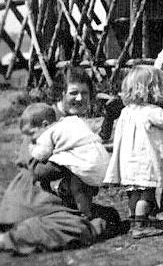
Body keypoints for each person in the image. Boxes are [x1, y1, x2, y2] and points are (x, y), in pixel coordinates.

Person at [0, 109, 122, 254]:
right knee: (83, 226)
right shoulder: (40, 128)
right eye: (73, 92)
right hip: (35, 199)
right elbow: (39, 170)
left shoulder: (71, 125)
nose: (79, 98)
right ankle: (11, 237)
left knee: (109, 216)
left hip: (56, 199)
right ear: (63, 93)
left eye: (85, 93)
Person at [103, 66, 163, 238]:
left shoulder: (125, 112)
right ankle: (141, 225)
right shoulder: (153, 111)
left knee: (134, 192)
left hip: (129, 162)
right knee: (147, 192)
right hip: (146, 162)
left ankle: (134, 220)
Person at [20, 103, 109, 220]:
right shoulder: (71, 121)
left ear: (45, 124)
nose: (32, 138)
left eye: (32, 134)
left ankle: (82, 215)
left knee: (42, 174)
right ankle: (84, 211)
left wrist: (32, 148)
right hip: (99, 160)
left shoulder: (48, 132)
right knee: (80, 187)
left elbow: (41, 154)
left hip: (82, 162)